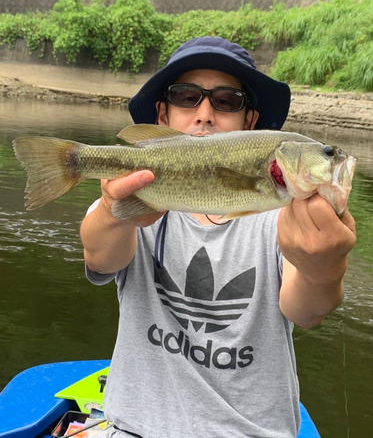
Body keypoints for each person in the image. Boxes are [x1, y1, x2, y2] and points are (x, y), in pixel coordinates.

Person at [80, 37, 356, 438]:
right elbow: (99, 256)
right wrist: (113, 210)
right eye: (186, 96)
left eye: (226, 101)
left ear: (250, 122)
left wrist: (324, 272)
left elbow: (307, 311)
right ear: (162, 115)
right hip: (135, 427)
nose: (205, 114)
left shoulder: (286, 214)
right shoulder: (132, 194)